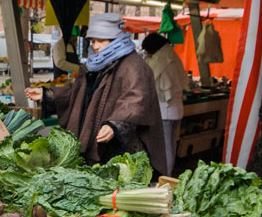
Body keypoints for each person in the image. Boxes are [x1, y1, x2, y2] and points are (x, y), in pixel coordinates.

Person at [25, 13, 165, 170]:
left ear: (116, 40)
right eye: (92, 41)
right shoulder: (95, 64)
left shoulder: (135, 66)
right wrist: (48, 94)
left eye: (101, 40)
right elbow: (78, 92)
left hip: (122, 147)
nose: (95, 46)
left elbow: (137, 100)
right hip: (95, 139)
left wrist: (116, 124)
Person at [142, 33, 188, 176]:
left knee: (165, 148)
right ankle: (167, 174)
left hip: (165, 111)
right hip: (176, 110)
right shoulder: (172, 56)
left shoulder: (162, 59)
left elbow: (147, 74)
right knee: (171, 146)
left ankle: (165, 177)